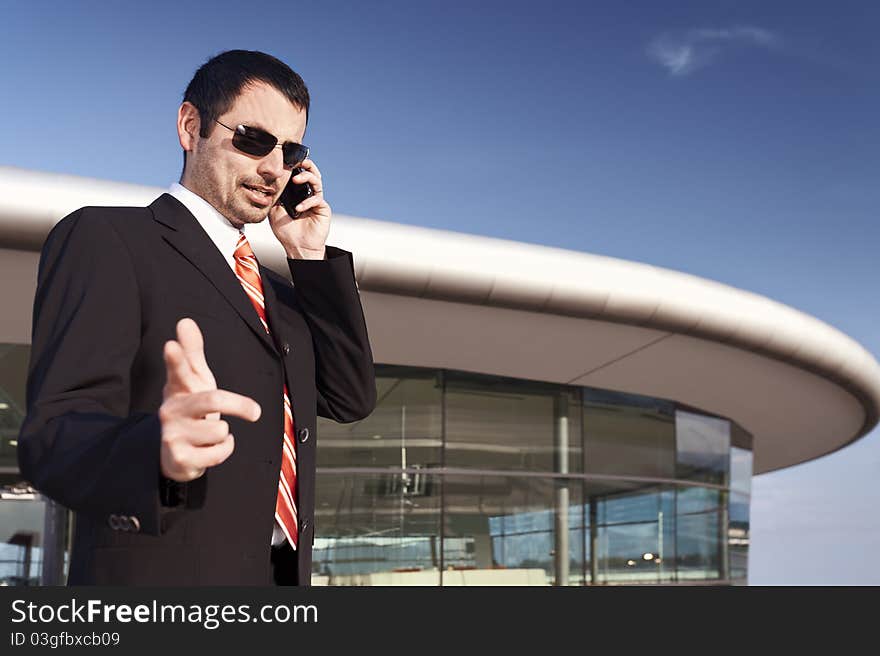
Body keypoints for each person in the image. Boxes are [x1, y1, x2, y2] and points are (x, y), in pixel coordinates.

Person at [16, 50, 376, 586]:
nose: (274, 168)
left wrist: (309, 258)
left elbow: (349, 398)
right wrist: (155, 449)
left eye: (291, 150)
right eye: (254, 139)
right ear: (191, 126)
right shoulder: (107, 240)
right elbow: (56, 435)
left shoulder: (280, 293)